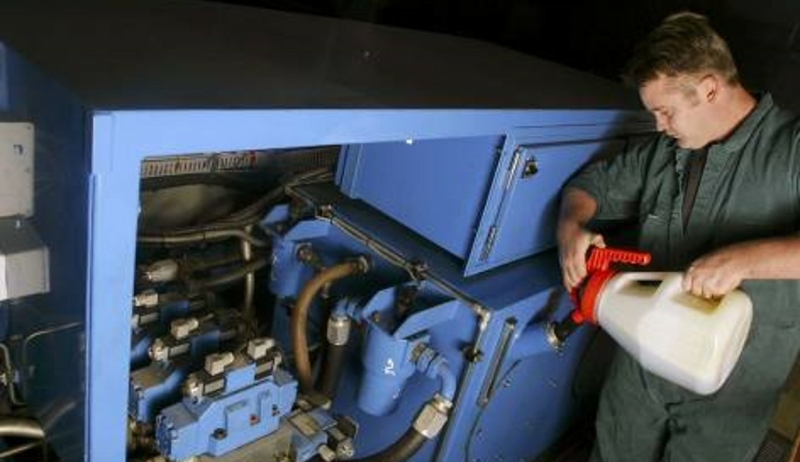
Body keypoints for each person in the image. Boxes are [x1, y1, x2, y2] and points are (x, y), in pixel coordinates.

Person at [557, 11, 800, 462]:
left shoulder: (791, 149)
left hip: (735, 382)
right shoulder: (663, 154)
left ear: (709, 88)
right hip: (643, 362)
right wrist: (571, 227)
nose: (659, 124)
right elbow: (588, 188)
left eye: (665, 111)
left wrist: (745, 259)